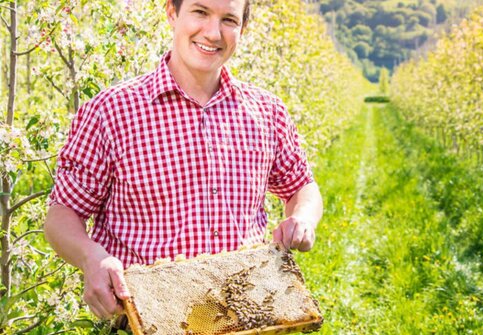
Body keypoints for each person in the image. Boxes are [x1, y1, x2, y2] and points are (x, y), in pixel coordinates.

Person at [44, 0, 322, 321]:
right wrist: (92, 257)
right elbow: (63, 214)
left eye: (229, 20)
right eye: (200, 12)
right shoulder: (111, 111)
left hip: (244, 312)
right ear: (172, 14)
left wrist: (302, 218)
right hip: (146, 314)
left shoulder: (266, 111)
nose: (213, 32)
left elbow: (301, 186)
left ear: (243, 29)